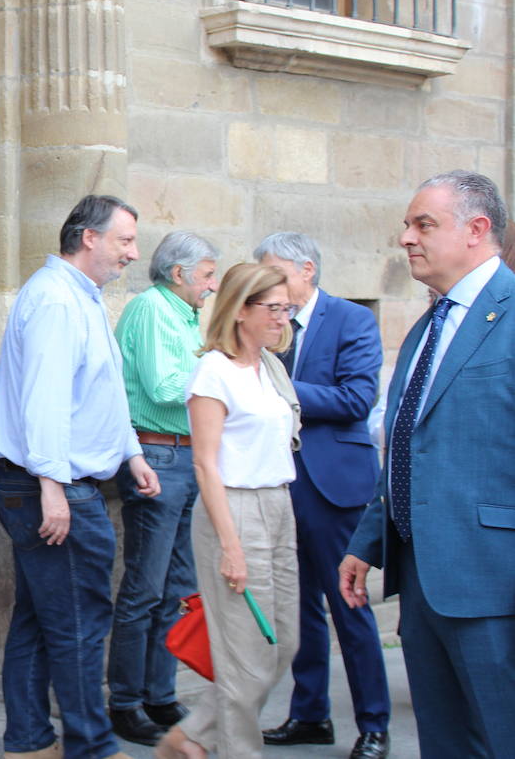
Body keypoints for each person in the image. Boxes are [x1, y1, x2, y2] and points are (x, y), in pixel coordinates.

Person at [341, 171, 515, 758]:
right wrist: (368, 540)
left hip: (495, 585)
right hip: (420, 582)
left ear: (477, 229)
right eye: (408, 224)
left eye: (424, 224)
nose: (406, 238)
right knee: (445, 744)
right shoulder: (427, 327)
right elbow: (410, 445)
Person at [0, 194, 161, 759]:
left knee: (41, 620)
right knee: (80, 625)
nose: (133, 253)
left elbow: (98, 394)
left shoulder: (80, 296)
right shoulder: (58, 300)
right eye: (125, 240)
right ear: (89, 237)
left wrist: (131, 453)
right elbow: (46, 402)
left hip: (51, 481)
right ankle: (91, 747)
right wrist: (53, 489)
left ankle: (30, 742)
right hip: (51, 486)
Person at [253, 233, 389, 759]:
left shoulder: (352, 320)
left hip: (335, 487)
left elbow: (358, 398)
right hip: (282, 483)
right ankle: (310, 715)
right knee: (298, 609)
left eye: (275, 273)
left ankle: (374, 725)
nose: (269, 286)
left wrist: (281, 391)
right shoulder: (269, 323)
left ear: (306, 269)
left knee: (348, 607)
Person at [157, 262, 301, 759]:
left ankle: (194, 734)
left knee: (283, 645)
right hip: (233, 510)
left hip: (278, 503)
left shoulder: (271, 367)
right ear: (241, 310)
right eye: (274, 308)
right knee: (247, 661)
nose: (284, 318)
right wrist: (231, 546)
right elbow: (205, 465)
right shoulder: (213, 371)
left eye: (288, 308)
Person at [108, 231, 219, 747]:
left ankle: (158, 691)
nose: (212, 286)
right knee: (145, 588)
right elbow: (162, 386)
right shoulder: (152, 309)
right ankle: (125, 702)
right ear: (178, 273)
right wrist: (221, 384)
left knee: (176, 589)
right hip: (157, 454)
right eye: (207, 275)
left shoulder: (185, 314)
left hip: (185, 454)